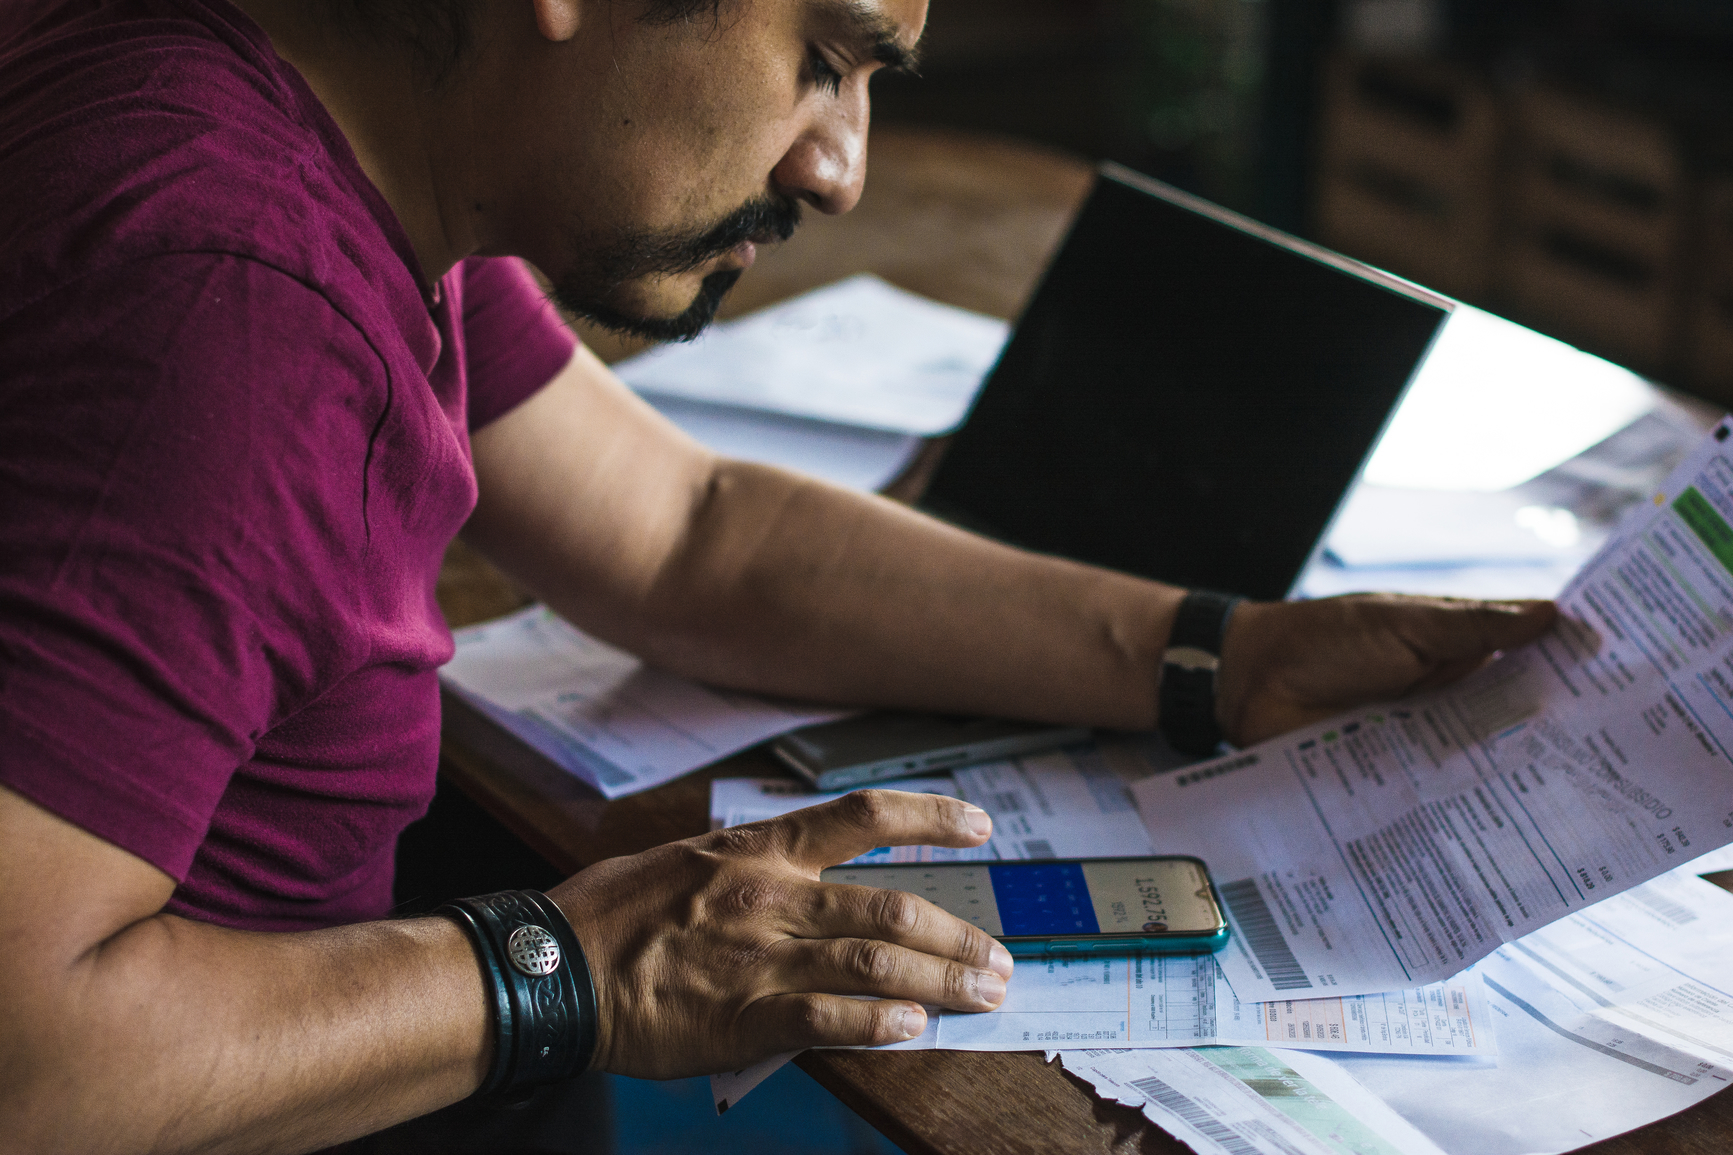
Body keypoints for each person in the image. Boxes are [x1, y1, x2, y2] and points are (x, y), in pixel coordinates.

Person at [0, 0, 1556, 1150]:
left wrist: (1218, 653)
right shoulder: (232, 304)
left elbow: (684, 534)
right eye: (822, 57)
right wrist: (577, 969)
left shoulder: (337, 118)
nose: (838, 166)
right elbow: (29, 1062)